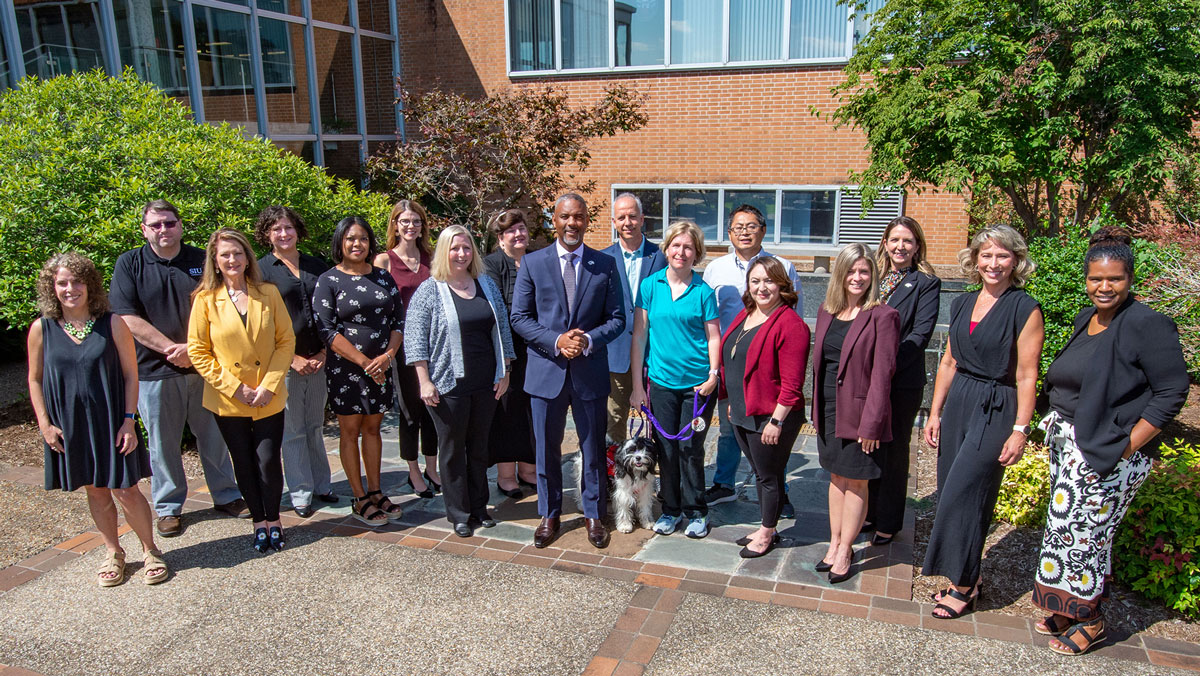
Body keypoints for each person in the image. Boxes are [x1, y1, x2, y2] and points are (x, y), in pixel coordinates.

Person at [1031, 228, 1188, 655]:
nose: (1104, 287)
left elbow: (1173, 391)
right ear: (1086, 279)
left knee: (1088, 534)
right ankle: (1067, 607)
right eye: (1096, 278)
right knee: (1064, 529)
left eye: (1114, 279)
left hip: (1109, 449)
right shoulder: (1088, 318)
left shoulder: (1146, 324)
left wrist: (1128, 445)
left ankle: (1093, 620)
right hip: (1070, 441)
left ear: (1130, 278)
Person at [923, 225, 1044, 618]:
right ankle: (964, 578)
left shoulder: (1025, 308)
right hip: (959, 399)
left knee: (968, 493)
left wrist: (1020, 429)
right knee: (948, 491)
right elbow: (948, 361)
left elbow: (1027, 375)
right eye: (986, 255)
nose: (994, 263)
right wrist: (935, 412)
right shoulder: (961, 303)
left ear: (1016, 261)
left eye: (1002, 255)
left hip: (997, 404)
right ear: (974, 260)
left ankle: (964, 585)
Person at [28, 253, 167, 586]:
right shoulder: (42, 329)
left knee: (127, 489)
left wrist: (129, 421)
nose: (70, 289)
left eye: (77, 281)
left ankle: (150, 550)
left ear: (89, 285)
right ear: (52, 288)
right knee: (96, 490)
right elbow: (34, 379)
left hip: (112, 421)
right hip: (70, 425)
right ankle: (113, 552)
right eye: (62, 283)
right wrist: (45, 424)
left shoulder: (112, 323)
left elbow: (131, 376)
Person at [109, 199, 245, 538]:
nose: (163, 230)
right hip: (154, 371)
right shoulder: (130, 263)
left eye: (169, 223)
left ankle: (226, 495)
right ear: (144, 229)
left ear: (180, 225)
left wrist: (194, 350)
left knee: (214, 436)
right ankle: (169, 508)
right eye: (155, 225)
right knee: (162, 443)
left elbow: (224, 305)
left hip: (206, 369)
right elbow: (126, 317)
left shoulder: (202, 259)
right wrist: (171, 349)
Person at [510, 193, 625, 550]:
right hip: (547, 372)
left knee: (592, 448)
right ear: (553, 221)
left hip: (589, 371)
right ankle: (550, 513)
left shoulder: (604, 264)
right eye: (564, 217)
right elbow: (520, 318)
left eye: (578, 217)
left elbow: (618, 318)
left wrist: (587, 339)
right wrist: (558, 340)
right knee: (546, 449)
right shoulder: (533, 263)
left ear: (587, 221)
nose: (571, 223)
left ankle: (593, 514)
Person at [187, 229, 296, 552]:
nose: (232, 260)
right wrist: (234, 388)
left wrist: (269, 385)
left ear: (248, 257)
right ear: (215, 262)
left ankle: (274, 519)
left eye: (238, 253)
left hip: (268, 395)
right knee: (244, 461)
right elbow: (198, 351)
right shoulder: (205, 300)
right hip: (228, 399)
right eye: (225, 255)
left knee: (267, 460)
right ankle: (258, 523)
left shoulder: (268, 293)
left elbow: (285, 341)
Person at [406, 225, 515, 537]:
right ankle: (459, 513)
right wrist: (424, 381)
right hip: (447, 384)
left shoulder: (486, 285)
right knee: (453, 451)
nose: (462, 254)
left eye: (467, 248)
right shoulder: (430, 289)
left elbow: (502, 329)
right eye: (455, 248)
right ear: (444, 252)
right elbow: (415, 341)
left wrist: (505, 371)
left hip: (487, 382)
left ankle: (480, 508)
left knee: (480, 448)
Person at [702, 204, 803, 515]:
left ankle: (778, 492)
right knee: (729, 428)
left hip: (768, 363)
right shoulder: (715, 269)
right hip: (732, 358)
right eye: (737, 228)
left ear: (763, 230)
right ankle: (723, 484)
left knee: (773, 433)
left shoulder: (782, 267)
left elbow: (794, 317)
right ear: (729, 233)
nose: (744, 232)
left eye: (751, 226)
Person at [811, 243, 899, 583]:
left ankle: (847, 549)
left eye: (864, 271)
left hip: (862, 413)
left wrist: (873, 423)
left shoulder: (883, 316)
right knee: (836, 477)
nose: (857, 277)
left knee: (857, 482)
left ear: (873, 276)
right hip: (829, 408)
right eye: (851, 270)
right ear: (840, 274)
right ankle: (833, 543)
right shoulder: (827, 311)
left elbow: (882, 373)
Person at [630, 220, 721, 539]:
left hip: (698, 387)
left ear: (696, 253)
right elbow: (640, 336)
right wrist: (638, 385)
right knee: (665, 448)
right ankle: (670, 509)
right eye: (676, 245)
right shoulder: (650, 286)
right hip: (662, 383)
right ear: (666, 248)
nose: (681, 252)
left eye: (688, 247)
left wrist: (713, 375)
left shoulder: (703, 292)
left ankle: (696, 512)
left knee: (690, 448)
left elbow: (713, 337)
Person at [313, 216, 405, 527]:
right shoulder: (328, 280)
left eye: (363, 238)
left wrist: (388, 356)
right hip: (346, 371)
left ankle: (376, 491)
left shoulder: (383, 277)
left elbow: (397, 321)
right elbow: (325, 330)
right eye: (351, 238)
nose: (357, 244)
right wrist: (365, 362)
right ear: (340, 242)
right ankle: (359, 496)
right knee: (350, 432)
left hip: (381, 368)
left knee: (373, 430)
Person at [718, 256, 810, 558]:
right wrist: (734, 403)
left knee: (769, 476)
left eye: (769, 281)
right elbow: (734, 360)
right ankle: (765, 525)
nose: (761, 287)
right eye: (755, 281)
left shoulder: (790, 324)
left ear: (782, 284)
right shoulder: (747, 314)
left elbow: (793, 383)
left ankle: (768, 532)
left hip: (772, 415)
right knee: (759, 472)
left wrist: (777, 421)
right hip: (745, 410)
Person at [864, 217, 942, 545]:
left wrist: (883, 367)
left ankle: (888, 520)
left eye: (907, 241)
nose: (900, 246)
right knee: (867, 445)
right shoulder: (871, 277)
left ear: (917, 246)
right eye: (894, 240)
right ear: (884, 243)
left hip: (900, 381)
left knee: (893, 452)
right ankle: (867, 510)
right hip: (865, 379)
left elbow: (919, 336)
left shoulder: (925, 283)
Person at [256, 206, 337, 518]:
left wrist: (322, 353)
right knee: (292, 430)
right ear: (267, 234)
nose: (283, 234)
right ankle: (301, 493)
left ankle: (322, 484)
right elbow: (260, 325)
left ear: (297, 230)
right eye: (276, 229)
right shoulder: (261, 271)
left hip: (319, 359)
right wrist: (291, 359)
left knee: (315, 425)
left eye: (288, 227)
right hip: (283, 364)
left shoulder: (317, 266)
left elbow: (332, 313)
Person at [373, 200, 440, 499]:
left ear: (422, 225)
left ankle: (432, 467)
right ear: (395, 225)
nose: (410, 226)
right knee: (410, 411)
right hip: (401, 346)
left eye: (415, 221)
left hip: (434, 345)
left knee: (433, 407)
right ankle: (413, 470)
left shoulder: (433, 258)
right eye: (404, 221)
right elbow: (378, 308)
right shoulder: (384, 261)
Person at [602, 193, 666, 448]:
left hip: (655, 353)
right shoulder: (602, 259)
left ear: (642, 219)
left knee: (658, 419)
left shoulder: (661, 257)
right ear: (614, 222)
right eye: (621, 217)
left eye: (632, 216)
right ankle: (613, 475)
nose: (627, 222)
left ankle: (659, 474)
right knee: (613, 419)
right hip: (615, 354)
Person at [483, 209, 538, 497]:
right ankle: (506, 475)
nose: (518, 235)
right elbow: (496, 309)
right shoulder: (492, 264)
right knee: (506, 412)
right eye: (511, 231)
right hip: (505, 351)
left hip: (536, 350)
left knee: (531, 411)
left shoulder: (536, 259)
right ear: (500, 237)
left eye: (522, 228)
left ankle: (529, 470)